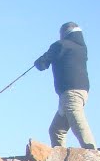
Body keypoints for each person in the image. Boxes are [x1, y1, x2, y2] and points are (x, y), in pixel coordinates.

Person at [35, 21, 95, 149]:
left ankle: (93, 152)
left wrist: (38, 62)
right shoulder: (81, 48)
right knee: (56, 130)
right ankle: (59, 159)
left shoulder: (60, 45)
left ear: (64, 33)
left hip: (70, 93)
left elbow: (42, 64)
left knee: (79, 125)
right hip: (80, 92)